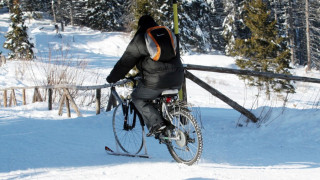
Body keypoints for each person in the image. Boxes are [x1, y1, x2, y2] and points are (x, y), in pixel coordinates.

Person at [106, 15, 184, 137]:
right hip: (178, 79)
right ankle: (167, 125)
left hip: (156, 82)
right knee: (156, 95)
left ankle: (157, 124)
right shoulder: (168, 35)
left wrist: (112, 78)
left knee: (138, 98)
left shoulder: (141, 38)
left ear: (140, 26)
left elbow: (125, 63)